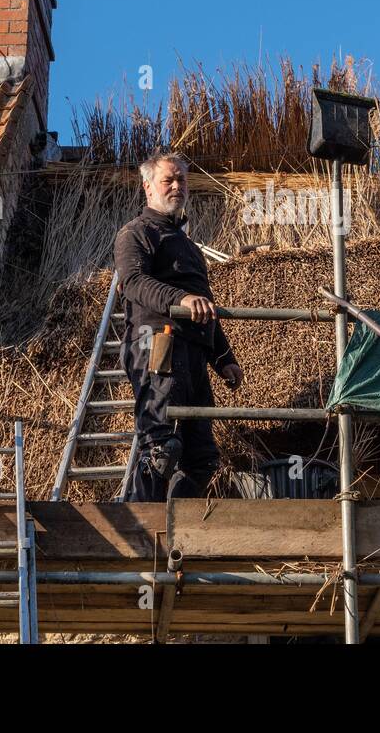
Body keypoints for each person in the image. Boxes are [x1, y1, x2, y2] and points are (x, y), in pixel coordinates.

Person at [114, 151, 245, 501]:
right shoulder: (136, 233)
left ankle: (174, 525)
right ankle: (140, 523)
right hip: (157, 344)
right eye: (167, 180)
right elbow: (134, 282)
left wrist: (223, 358)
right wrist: (179, 300)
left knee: (202, 459)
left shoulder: (189, 246)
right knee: (161, 447)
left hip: (196, 354)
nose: (176, 186)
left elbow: (205, 304)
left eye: (181, 180)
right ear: (148, 188)